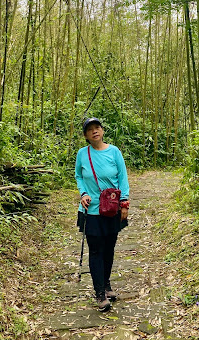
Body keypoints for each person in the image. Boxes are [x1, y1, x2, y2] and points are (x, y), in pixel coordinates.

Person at [75, 117, 130, 312]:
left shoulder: (114, 152)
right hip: (91, 210)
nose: (94, 131)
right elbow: (79, 176)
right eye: (90, 129)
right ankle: (99, 293)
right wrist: (83, 193)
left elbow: (122, 178)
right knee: (96, 250)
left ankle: (106, 284)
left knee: (109, 248)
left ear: (102, 130)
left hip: (112, 208)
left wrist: (125, 203)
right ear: (86, 135)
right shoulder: (82, 154)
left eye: (97, 127)